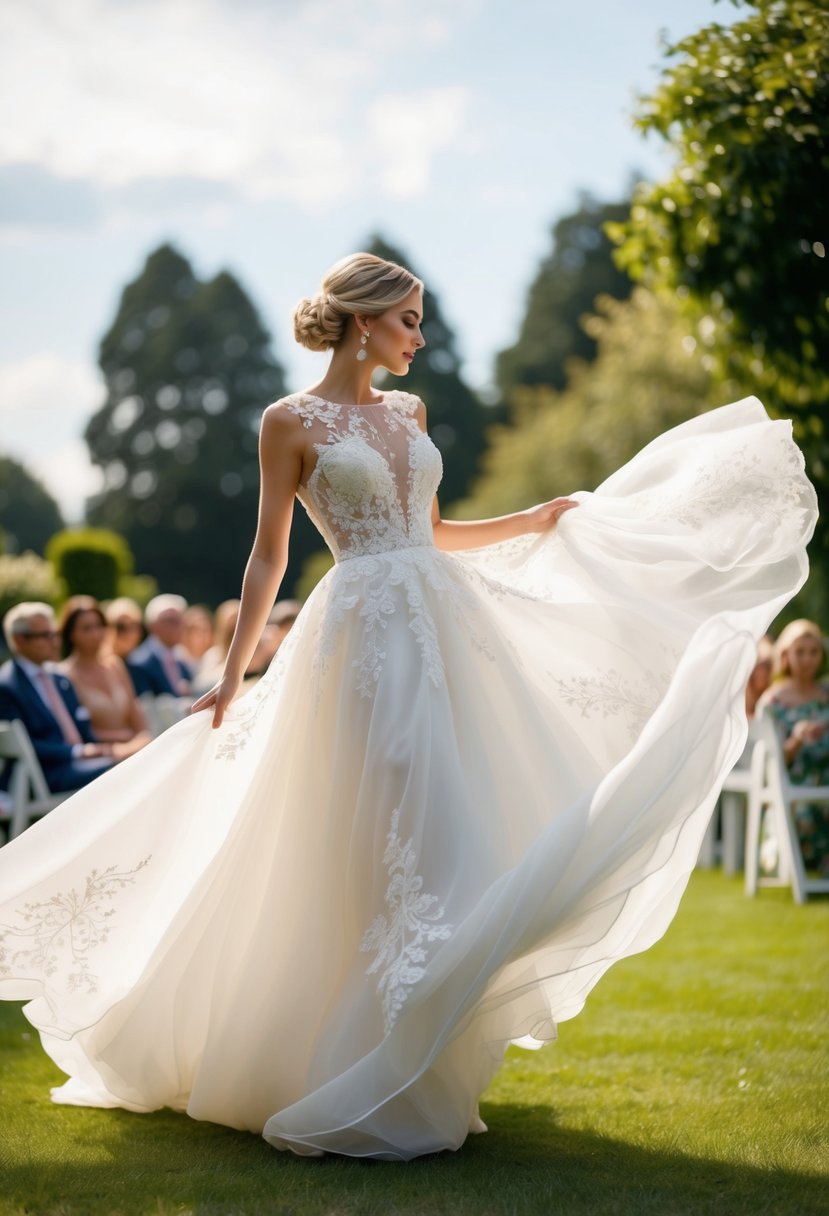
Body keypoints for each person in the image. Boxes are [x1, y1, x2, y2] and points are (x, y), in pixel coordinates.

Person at [0, 253, 817, 1162]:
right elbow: (267, 557)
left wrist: (533, 519)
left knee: (449, 823)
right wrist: (233, 675)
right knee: (372, 826)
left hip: (442, 625)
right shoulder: (288, 421)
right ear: (364, 322)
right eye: (410, 322)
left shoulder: (409, 414)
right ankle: (347, 1060)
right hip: (355, 637)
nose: (420, 339)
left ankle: (420, 1057)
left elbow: (431, 531)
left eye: (421, 322)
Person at [0, 602, 115, 793]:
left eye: (54, 634)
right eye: (45, 635)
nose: (54, 641)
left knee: (130, 760)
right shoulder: (7, 685)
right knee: (120, 769)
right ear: (19, 640)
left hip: (77, 763)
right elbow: (25, 744)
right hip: (41, 777)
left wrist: (99, 749)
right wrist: (76, 752)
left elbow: (82, 728)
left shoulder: (60, 678)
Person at [757, 619, 829, 872]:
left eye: (814, 652)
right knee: (808, 810)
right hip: (794, 786)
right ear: (785, 655)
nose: (808, 659)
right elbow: (774, 765)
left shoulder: (827, 694)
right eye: (800, 652)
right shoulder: (772, 701)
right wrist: (797, 737)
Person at [58, 596, 151, 760]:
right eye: (86, 628)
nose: (96, 634)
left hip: (133, 750)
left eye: (99, 626)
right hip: (99, 757)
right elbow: (77, 732)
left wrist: (136, 743)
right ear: (71, 634)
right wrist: (121, 742)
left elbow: (138, 720)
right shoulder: (63, 675)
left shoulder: (115, 665)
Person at [126, 594, 194, 697]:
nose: (179, 625)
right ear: (152, 625)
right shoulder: (139, 663)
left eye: (180, 619)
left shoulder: (182, 661)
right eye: (171, 620)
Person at [104, 597, 144, 661]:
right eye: (121, 627)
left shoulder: (143, 662)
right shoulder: (100, 662)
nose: (129, 633)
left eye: (134, 625)